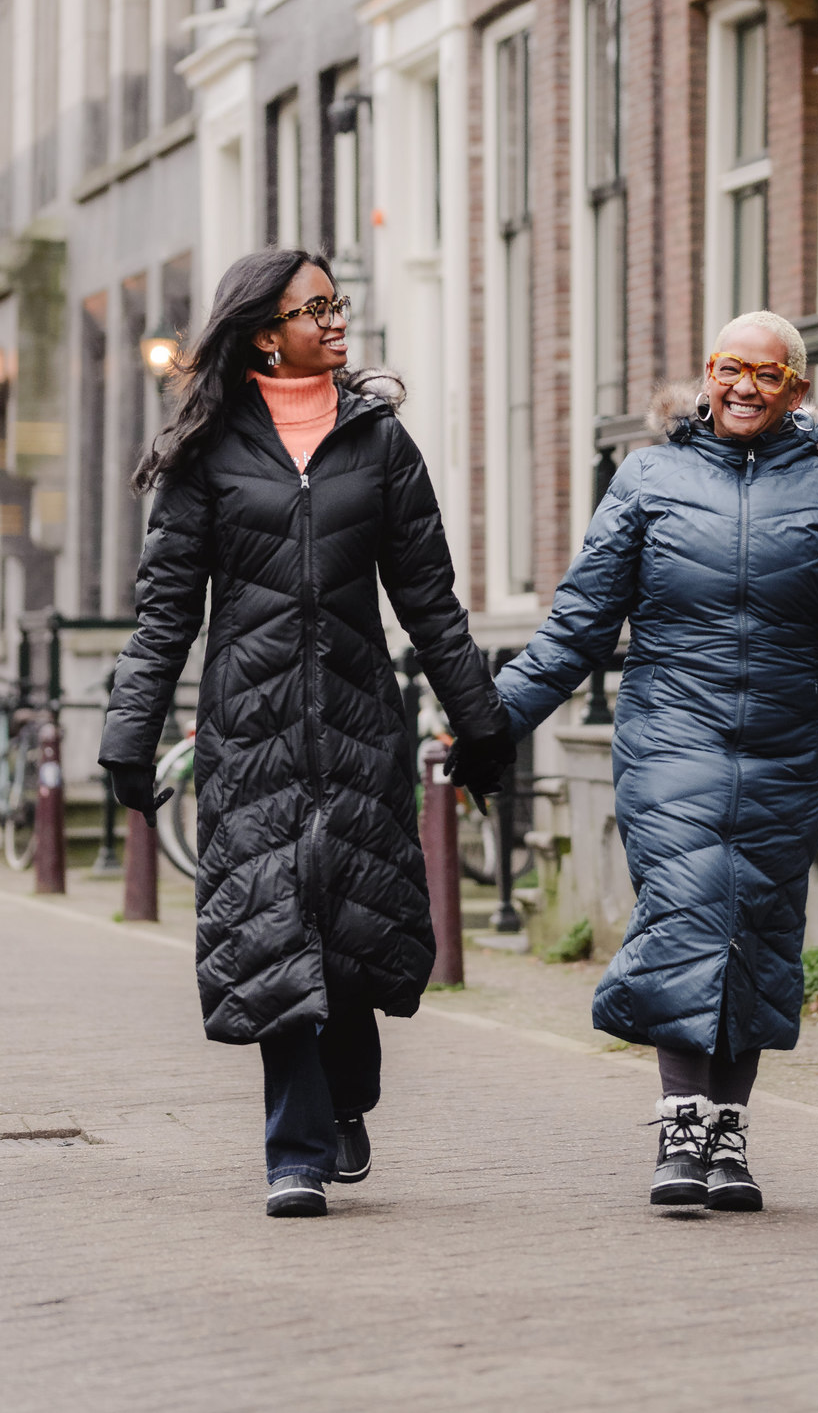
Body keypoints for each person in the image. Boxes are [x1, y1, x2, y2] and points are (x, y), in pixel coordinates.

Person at [494, 310, 818, 1212]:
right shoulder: (649, 477)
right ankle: (681, 1124)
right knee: (688, 910)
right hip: (671, 735)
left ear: (798, 391)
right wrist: (491, 724)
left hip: (784, 746)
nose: (745, 387)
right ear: (706, 376)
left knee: (762, 928)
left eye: (767, 374)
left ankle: (729, 1135)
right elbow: (581, 620)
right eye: (729, 368)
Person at [99, 249, 514, 1218]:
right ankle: (294, 1146)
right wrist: (130, 730)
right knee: (272, 923)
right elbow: (167, 610)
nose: (335, 320)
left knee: (351, 926)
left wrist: (483, 724)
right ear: (263, 331)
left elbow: (432, 603)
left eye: (337, 303)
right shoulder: (210, 451)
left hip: (361, 724)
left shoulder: (379, 442)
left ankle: (346, 1092)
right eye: (314, 307)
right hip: (251, 730)